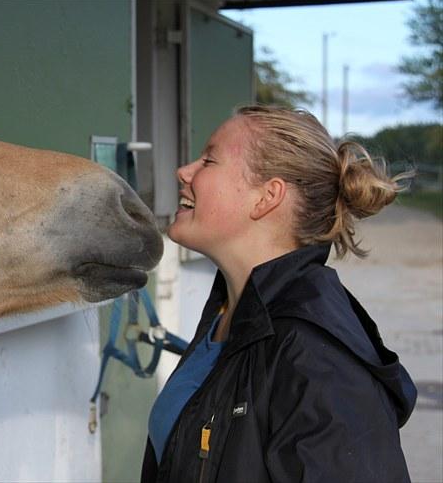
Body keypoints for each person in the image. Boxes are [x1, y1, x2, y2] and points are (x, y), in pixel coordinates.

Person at [141, 105, 417, 483]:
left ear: (266, 197)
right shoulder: (230, 316)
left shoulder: (317, 360)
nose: (184, 172)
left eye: (209, 160)